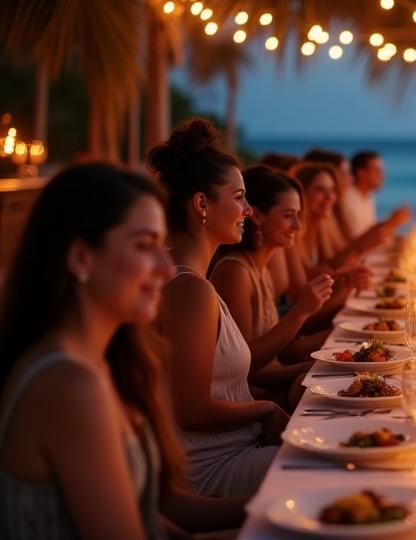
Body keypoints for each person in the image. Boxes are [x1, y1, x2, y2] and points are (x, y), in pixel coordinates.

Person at [0, 164, 244, 538]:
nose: (165, 268)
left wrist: (269, 503)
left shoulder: (104, 362)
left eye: (162, 245)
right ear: (81, 258)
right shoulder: (68, 385)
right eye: (144, 246)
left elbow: (153, 508)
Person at [150, 119, 286, 498]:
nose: (249, 210)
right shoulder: (189, 290)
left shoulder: (187, 278)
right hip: (210, 466)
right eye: (239, 197)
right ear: (202, 204)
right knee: (337, 467)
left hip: (235, 448)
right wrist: (265, 410)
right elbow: (191, 411)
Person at [210, 166, 334, 410]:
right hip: (250, 404)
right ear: (257, 216)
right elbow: (245, 369)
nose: (298, 226)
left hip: (271, 390)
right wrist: (301, 312)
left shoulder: (262, 269)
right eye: (288, 215)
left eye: (298, 215)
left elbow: (280, 352)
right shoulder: (235, 272)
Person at [339, 150, 411, 239]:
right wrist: (391, 223)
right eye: (377, 171)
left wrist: (392, 225)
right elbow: (359, 240)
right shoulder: (348, 199)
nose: (383, 176)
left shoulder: (367, 196)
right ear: (361, 173)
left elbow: (368, 230)